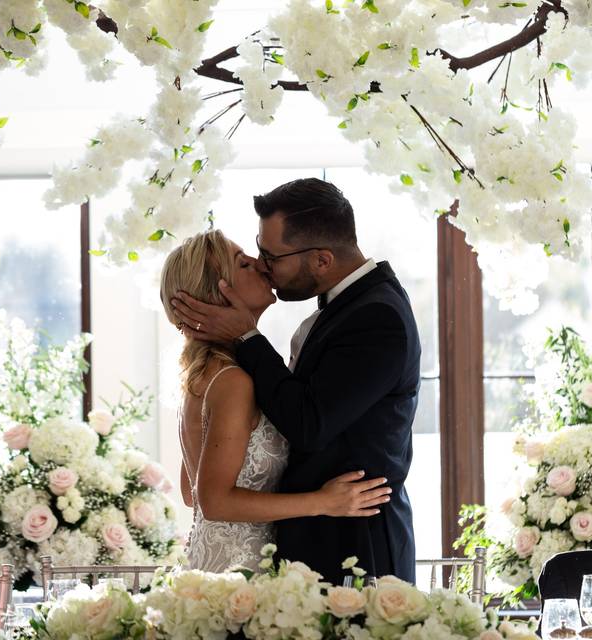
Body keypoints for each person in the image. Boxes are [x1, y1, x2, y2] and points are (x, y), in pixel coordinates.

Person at [171, 178, 421, 583]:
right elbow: (202, 494)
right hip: (280, 554)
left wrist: (246, 337)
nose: (263, 266)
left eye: (268, 256)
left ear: (322, 260)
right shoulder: (228, 378)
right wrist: (315, 503)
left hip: (356, 547)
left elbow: (308, 424)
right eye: (251, 257)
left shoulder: (377, 316)